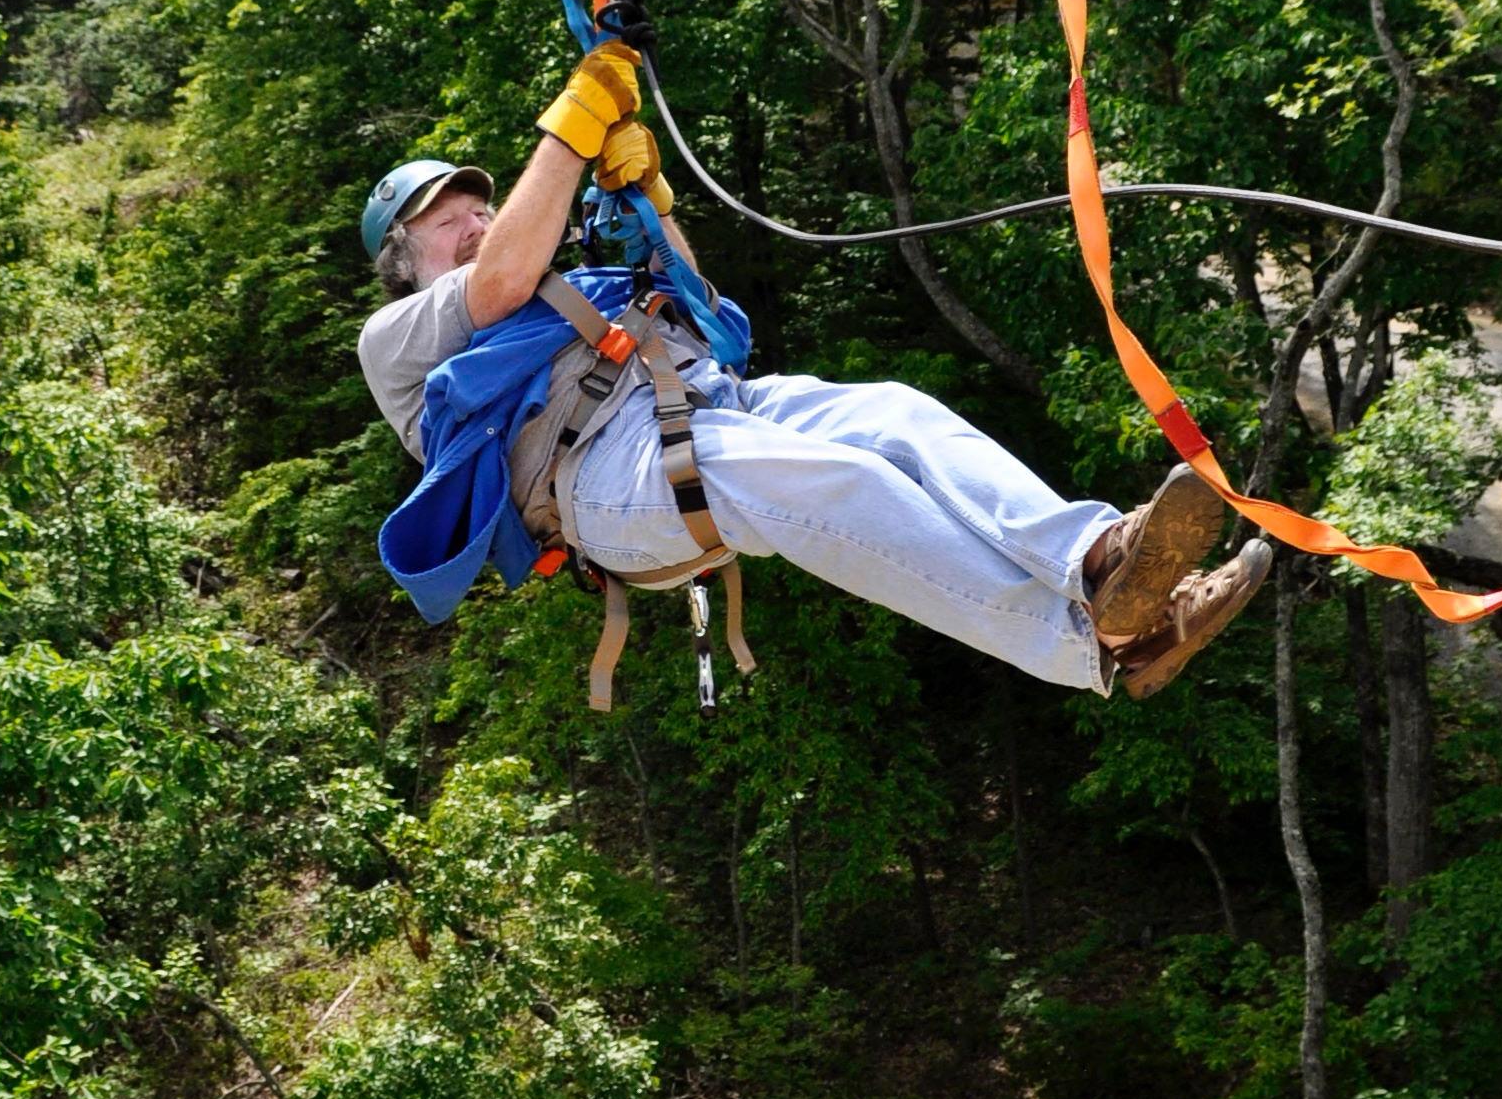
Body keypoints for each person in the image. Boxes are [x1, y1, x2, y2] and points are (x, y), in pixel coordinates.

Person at [357, 38, 1273, 701]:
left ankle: (1098, 558)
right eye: (451, 222)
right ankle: (1092, 641)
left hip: (710, 398)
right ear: (405, 255)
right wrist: (575, 122)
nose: (477, 224)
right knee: (827, 482)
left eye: (484, 208)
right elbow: (507, 271)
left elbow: (702, 308)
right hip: (601, 474)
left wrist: (649, 200)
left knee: (895, 414)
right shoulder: (401, 335)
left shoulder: (565, 280)